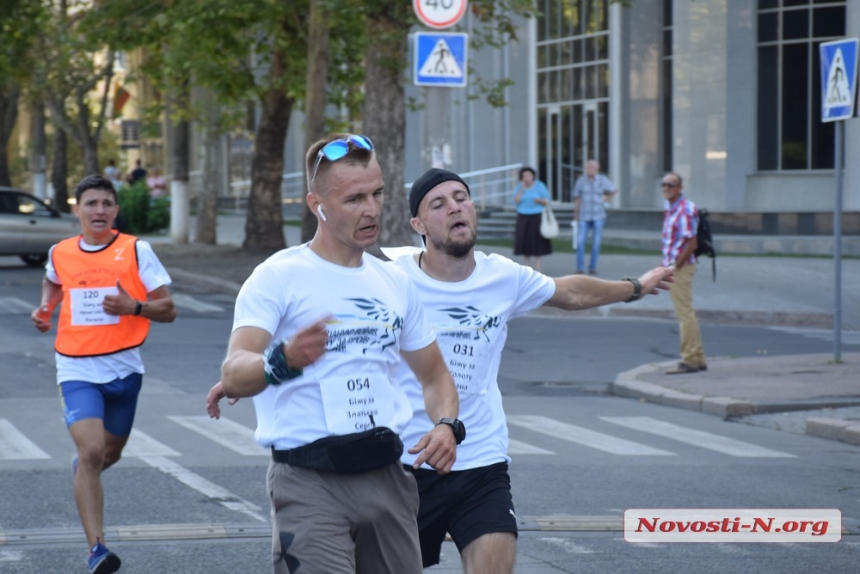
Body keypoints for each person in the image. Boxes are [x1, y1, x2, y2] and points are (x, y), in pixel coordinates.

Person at [390, 168, 673, 573]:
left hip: (481, 461)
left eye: (461, 198)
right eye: (439, 203)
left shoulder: (502, 275)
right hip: (410, 464)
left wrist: (635, 287)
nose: (455, 207)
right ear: (417, 224)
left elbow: (571, 292)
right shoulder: (393, 279)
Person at [208, 133, 461, 574]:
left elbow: (435, 376)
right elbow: (234, 371)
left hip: (388, 478)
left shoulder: (394, 281)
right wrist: (282, 360)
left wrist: (446, 426)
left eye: (378, 194)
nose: (372, 209)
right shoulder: (278, 276)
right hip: (309, 483)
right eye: (354, 199)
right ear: (316, 204)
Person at [30, 174, 176, 574]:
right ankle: (97, 548)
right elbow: (53, 279)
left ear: (115, 210)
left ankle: (85, 476)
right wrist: (45, 307)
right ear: (76, 209)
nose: (99, 210)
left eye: (106, 204)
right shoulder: (61, 251)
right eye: (90, 203)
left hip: (125, 369)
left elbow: (169, 309)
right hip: (75, 366)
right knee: (91, 451)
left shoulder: (135, 250)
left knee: (109, 454)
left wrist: (134, 308)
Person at [661, 171, 707, 374]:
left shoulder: (685, 209)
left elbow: (691, 243)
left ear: (679, 188)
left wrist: (674, 266)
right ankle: (697, 358)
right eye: (664, 184)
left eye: (671, 185)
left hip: (682, 267)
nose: (666, 188)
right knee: (687, 312)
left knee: (684, 314)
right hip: (675, 265)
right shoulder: (672, 208)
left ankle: (689, 360)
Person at [572, 159, 617, 275]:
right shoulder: (581, 181)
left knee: (596, 243)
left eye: (593, 167)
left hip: (598, 215)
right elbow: (577, 198)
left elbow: (614, 189)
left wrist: (606, 198)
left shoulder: (602, 180)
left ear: (597, 168)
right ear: (586, 168)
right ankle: (580, 268)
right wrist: (575, 214)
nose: (591, 169)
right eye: (589, 167)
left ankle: (592, 267)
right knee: (581, 242)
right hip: (584, 215)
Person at [511, 167, 551, 271]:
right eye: (524, 176)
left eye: (529, 175)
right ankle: (527, 265)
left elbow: (547, 200)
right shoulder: (519, 187)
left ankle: (538, 265)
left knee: (537, 241)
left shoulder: (539, 185)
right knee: (525, 240)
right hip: (523, 216)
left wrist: (539, 200)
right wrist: (522, 189)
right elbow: (515, 201)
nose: (527, 178)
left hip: (537, 215)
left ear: (533, 176)